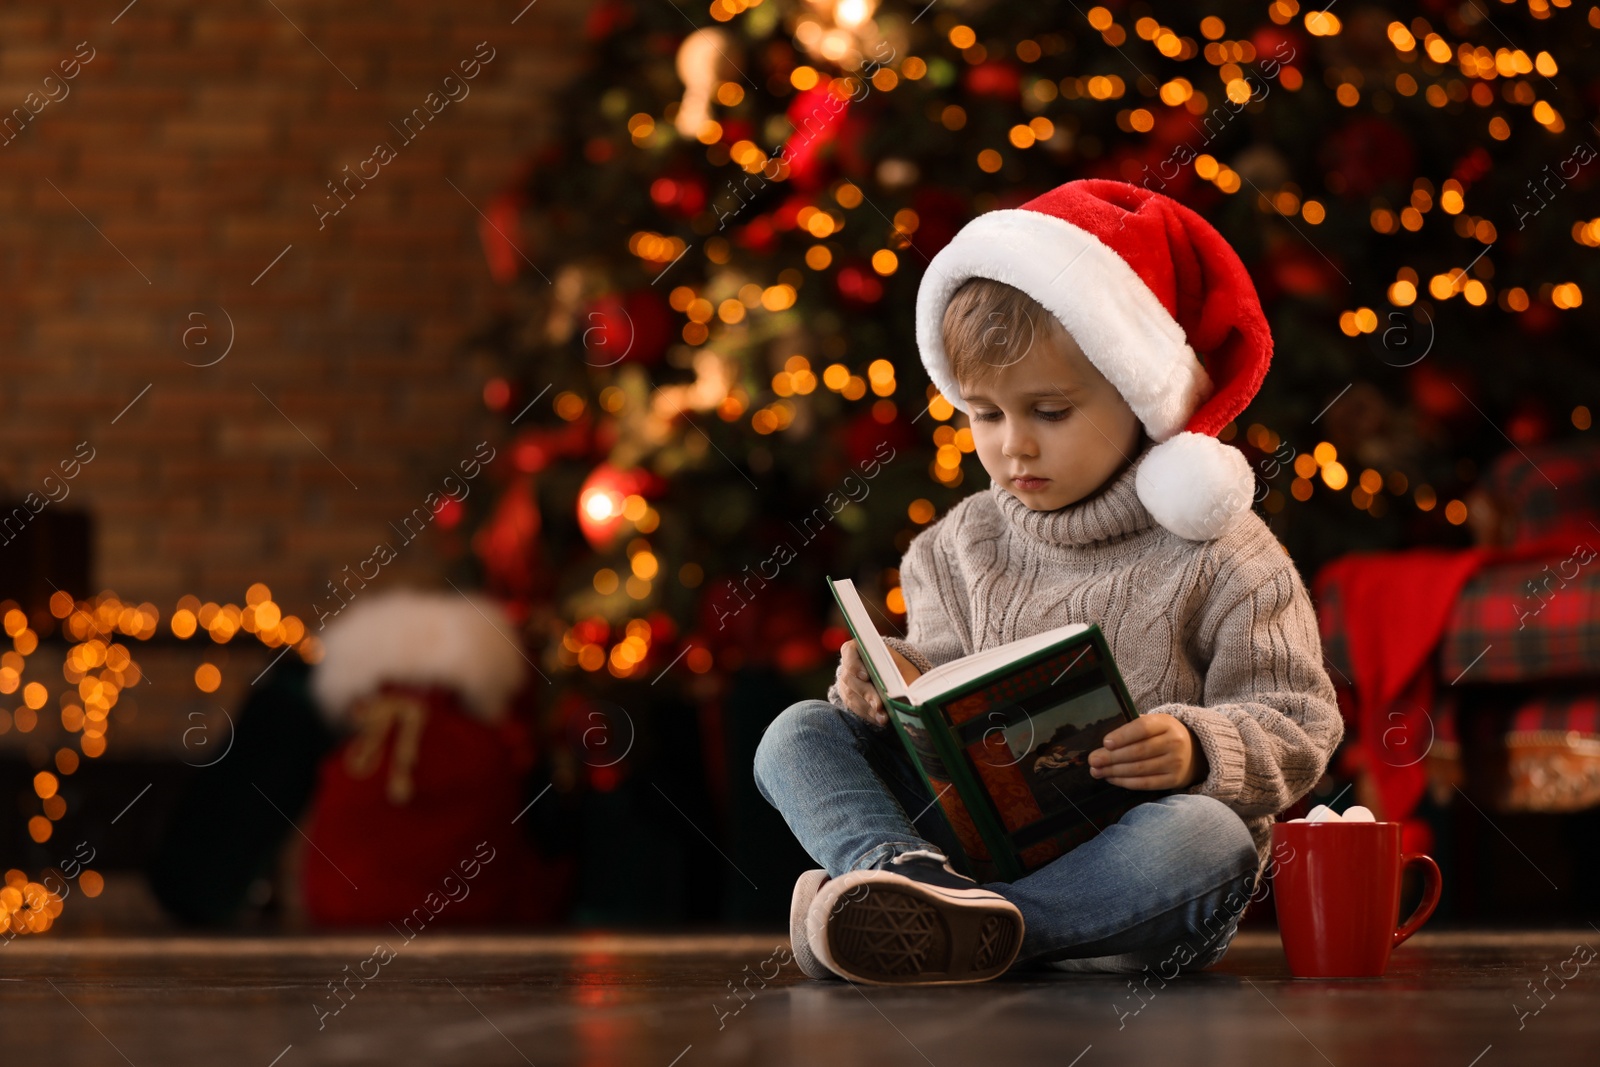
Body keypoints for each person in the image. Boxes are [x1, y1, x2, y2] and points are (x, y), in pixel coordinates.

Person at [753, 179, 1343, 985]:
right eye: (986, 414)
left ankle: (980, 924)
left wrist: (1196, 746)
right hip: (970, 840)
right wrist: (885, 684)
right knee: (794, 733)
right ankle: (909, 877)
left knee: (1212, 839)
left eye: (1050, 412)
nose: (1013, 447)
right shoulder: (954, 544)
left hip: (1133, 871)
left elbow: (1300, 721)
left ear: (1140, 396)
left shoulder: (1225, 550)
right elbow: (942, 697)